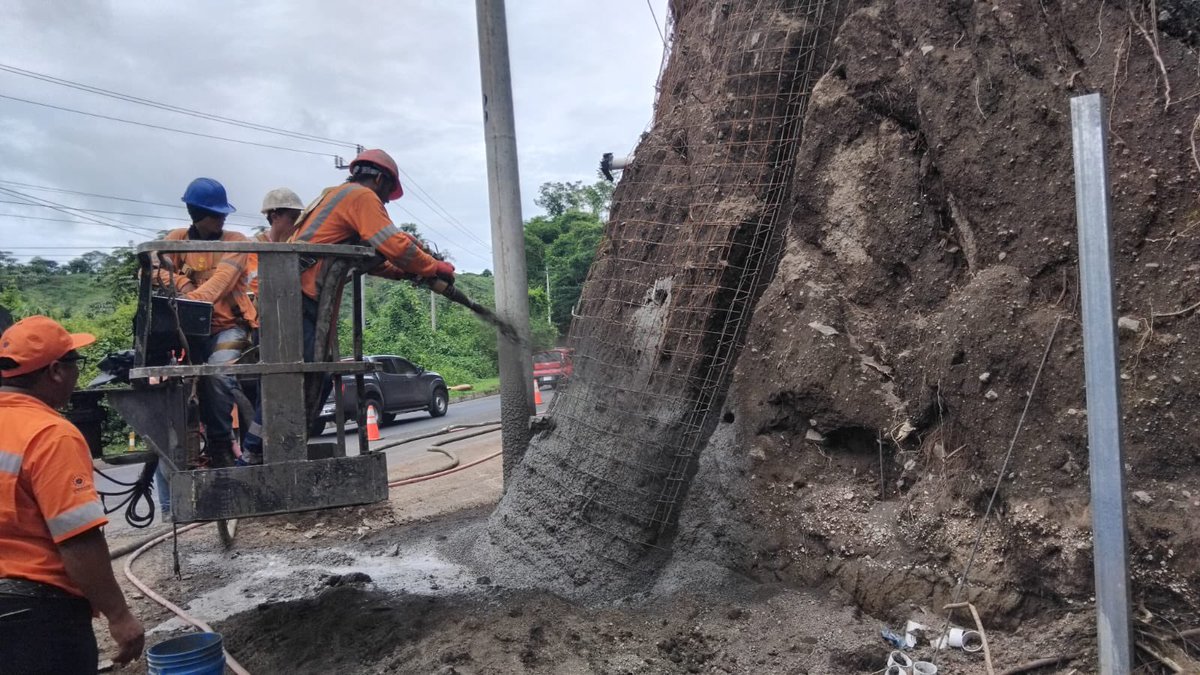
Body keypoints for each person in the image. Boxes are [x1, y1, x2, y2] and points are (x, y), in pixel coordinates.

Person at [0, 315, 145, 673]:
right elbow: (78, 538)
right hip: (38, 618)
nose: (78, 373)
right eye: (75, 362)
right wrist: (119, 616)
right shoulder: (50, 435)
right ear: (55, 371)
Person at [290, 148, 455, 362]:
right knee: (307, 370)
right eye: (388, 191)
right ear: (379, 179)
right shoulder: (362, 196)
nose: (387, 201)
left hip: (300, 289)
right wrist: (434, 266)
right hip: (301, 291)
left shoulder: (340, 197)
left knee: (317, 368)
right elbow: (396, 246)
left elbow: (372, 260)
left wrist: (403, 273)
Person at [153, 177, 258, 468]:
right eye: (217, 214)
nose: (223, 219)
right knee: (173, 382)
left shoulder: (235, 242)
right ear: (198, 214)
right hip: (189, 331)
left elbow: (219, 285)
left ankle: (220, 444)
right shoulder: (177, 240)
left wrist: (187, 297)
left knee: (217, 374)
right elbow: (150, 270)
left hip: (229, 327)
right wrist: (182, 283)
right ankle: (179, 448)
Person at [238, 188, 305, 465]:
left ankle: (275, 447)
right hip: (261, 329)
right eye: (291, 217)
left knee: (298, 384)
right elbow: (255, 286)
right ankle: (253, 450)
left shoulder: (297, 246)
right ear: (275, 216)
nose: (295, 224)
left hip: (289, 329)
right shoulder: (254, 249)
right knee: (264, 393)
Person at [246, 187, 306, 297]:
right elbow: (259, 285)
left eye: (300, 219)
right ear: (274, 217)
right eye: (293, 218)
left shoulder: (297, 245)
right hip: (263, 305)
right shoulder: (254, 246)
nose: (298, 223)